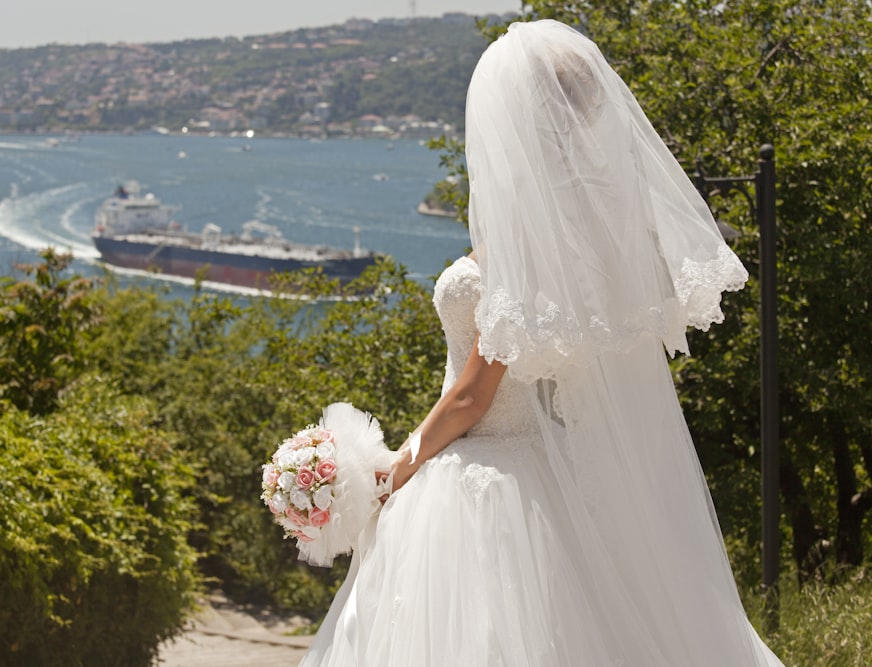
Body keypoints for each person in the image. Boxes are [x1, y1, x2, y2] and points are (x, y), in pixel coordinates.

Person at [300, 20, 785, 666]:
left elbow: (474, 395)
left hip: (486, 477)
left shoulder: (527, 245)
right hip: (538, 475)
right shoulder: (572, 233)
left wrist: (396, 468)